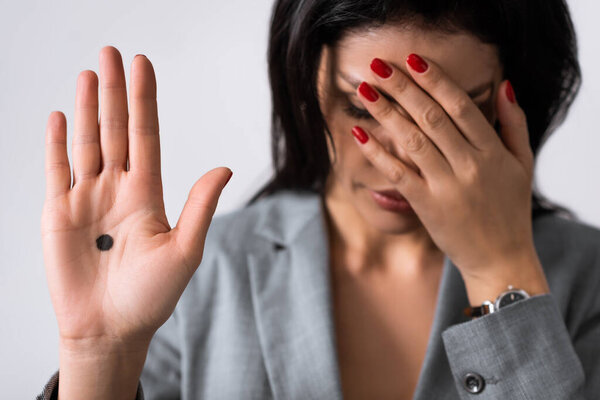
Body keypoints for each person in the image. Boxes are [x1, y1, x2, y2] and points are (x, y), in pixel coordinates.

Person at [37, 0, 600, 399]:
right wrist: (97, 356)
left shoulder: (585, 274)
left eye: (456, 116)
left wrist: (501, 271)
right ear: (307, 86)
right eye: (363, 107)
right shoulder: (202, 270)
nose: (398, 160)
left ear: (513, 102)